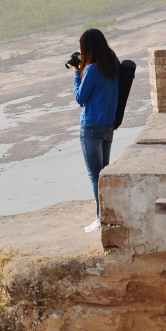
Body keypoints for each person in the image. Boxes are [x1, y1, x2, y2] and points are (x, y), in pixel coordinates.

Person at [68, 29, 119, 234]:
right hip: (108, 126)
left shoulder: (91, 69)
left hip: (90, 128)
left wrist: (75, 73)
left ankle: (101, 218)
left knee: (95, 176)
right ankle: (106, 214)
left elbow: (81, 98)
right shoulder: (113, 65)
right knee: (103, 173)